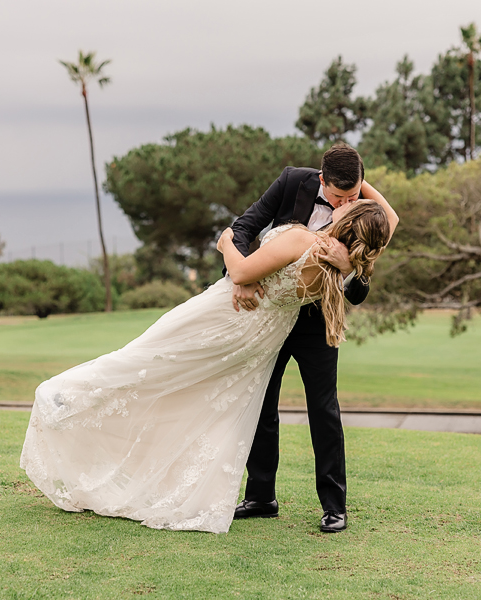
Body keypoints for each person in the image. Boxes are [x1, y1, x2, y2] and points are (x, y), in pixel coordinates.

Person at [20, 195, 397, 534]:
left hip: (228, 316)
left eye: (353, 201)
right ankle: (254, 495)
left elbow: (241, 272)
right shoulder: (340, 265)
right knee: (197, 394)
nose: (349, 199)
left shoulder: (307, 243)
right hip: (262, 336)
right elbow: (389, 220)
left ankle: (64, 397)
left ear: (350, 220)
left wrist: (226, 245)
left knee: (146, 359)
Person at [230, 142, 391, 532]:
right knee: (263, 402)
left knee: (324, 409)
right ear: (322, 180)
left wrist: (349, 268)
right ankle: (261, 496)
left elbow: (360, 288)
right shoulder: (291, 182)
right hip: (270, 313)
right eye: (338, 197)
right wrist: (241, 280)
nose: (343, 206)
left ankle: (335, 507)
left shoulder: (365, 211)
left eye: (353, 196)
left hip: (319, 320)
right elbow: (244, 227)